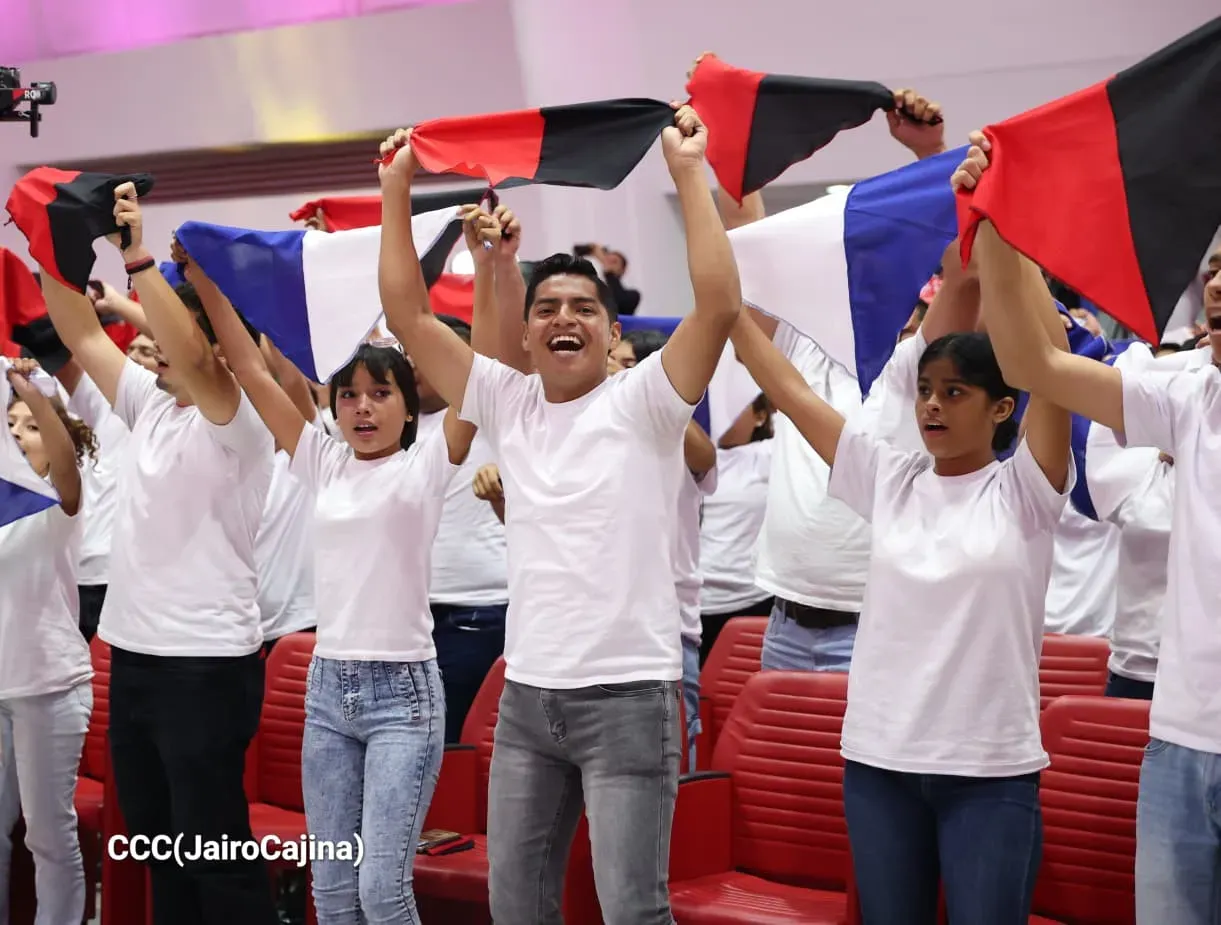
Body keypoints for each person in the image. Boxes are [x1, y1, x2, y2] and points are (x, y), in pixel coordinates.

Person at [376, 102, 741, 924]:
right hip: (527, 699)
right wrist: (398, 189)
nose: (564, 317)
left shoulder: (644, 401)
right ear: (529, 334)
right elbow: (407, 314)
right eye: (547, 308)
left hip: (627, 699)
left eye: (583, 307)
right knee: (518, 907)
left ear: (613, 332)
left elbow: (717, 307)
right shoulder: (507, 400)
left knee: (631, 910)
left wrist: (687, 174)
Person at [729, 219, 1074, 921]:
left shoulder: (1025, 490)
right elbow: (789, 391)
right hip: (879, 763)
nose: (930, 406)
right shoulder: (889, 477)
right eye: (924, 390)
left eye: (953, 392)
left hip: (987, 768)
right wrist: (720, 294)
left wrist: (1006, 233)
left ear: (1002, 407)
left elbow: (1051, 356)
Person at [180, 203, 498, 922]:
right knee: (330, 890)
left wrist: (489, 267)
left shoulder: (425, 467)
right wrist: (207, 283)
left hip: (404, 699)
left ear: (407, 408)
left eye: (379, 393)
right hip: (328, 692)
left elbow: (485, 372)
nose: (361, 407)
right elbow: (252, 372)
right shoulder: (321, 461)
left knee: (382, 892)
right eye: (348, 394)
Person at [952, 134, 1221, 923]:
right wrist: (999, 224)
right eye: (1212, 273)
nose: (1216, 288)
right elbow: (1036, 363)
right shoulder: (1191, 401)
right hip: (1180, 740)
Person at [32, 186, 278, 925]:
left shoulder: (239, 418)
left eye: (174, 334)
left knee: (214, 854)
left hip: (204, 663)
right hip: (133, 657)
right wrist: (49, 235)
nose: (155, 348)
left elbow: (201, 360)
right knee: (158, 848)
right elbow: (79, 332)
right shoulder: (151, 403)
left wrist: (138, 254)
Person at [0, 359, 96, 925]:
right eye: (10, 424)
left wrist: (30, 392)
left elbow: (63, 455)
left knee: (47, 837)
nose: (18, 432)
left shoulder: (60, 505)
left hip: (49, 687)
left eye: (30, 425)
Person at [412, 314, 509, 743]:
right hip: (412, 612)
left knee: (448, 746)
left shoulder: (490, 414)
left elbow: (491, 348)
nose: (420, 363)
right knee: (417, 742)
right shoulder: (393, 423)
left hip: (476, 610)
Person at [698, 394, 775, 663]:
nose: (723, 414)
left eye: (734, 404)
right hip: (685, 608)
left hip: (749, 603)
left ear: (760, 416)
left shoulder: (768, 454)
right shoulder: (680, 453)